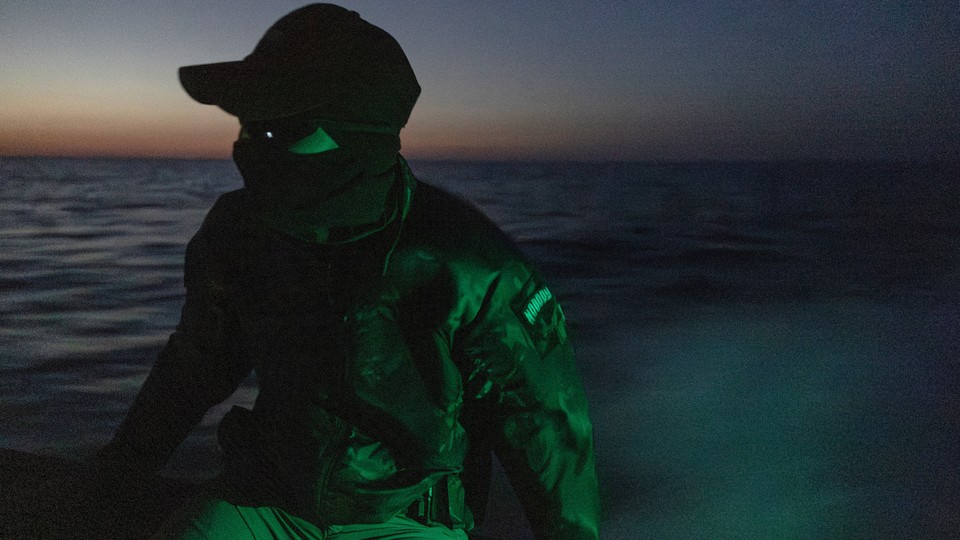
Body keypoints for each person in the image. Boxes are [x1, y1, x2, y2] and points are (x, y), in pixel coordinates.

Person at [98, 4, 600, 539]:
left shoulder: (469, 265)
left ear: (358, 133)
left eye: (280, 128)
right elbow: (195, 367)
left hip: (406, 519)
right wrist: (115, 475)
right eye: (248, 123)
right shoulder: (237, 234)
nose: (250, 144)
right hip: (264, 496)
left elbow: (543, 422)